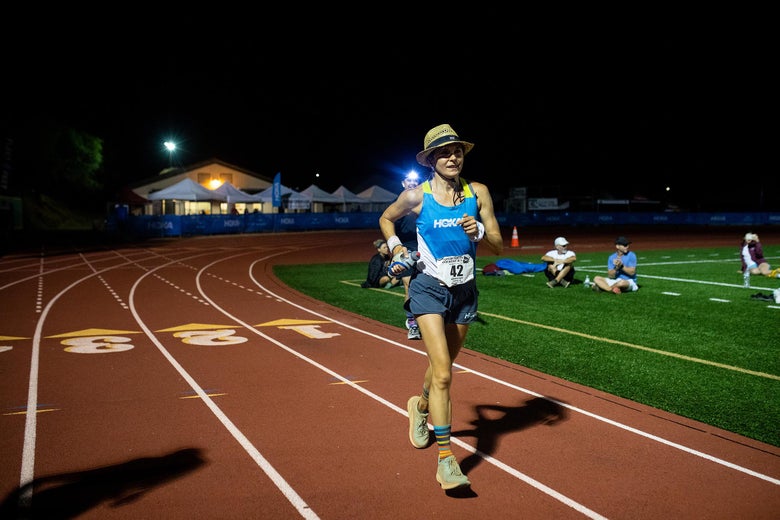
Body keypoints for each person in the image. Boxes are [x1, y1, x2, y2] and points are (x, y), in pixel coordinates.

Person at [379, 123, 503, 490]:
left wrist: (479, 232)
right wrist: (398, 248)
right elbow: (387, 218)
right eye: (444, 153)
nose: (453, 157)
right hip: (427, 289)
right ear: (431, 160)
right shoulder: (417, 197)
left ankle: (419, 405)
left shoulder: (477, 193)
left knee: (442, 365)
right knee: (445, 373)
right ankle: (447, 461)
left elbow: (498, 244)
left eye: (457, 151)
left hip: (465, 292)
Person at [397, 171, 422, 340]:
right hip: (406, 248)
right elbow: (387, 223)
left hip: (425, 248)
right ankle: (412, 323)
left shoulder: (425, 200)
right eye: (409, 180)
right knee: (408, 285)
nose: (412, 183)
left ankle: (428, 319)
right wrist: (395, 249)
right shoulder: (398, 203)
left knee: (425, 285)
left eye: (415, 180)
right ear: (403, 183)